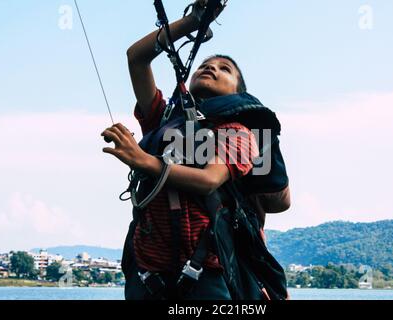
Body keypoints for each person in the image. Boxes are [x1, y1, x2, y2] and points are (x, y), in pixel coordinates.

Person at [101, 0, 290, 300]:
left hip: (207, 272)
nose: (211, 68)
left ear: (237, 93)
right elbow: (136, 58)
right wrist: (195, 22)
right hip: (148, 272)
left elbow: (210, 179)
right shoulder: (161, 119)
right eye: (205, 65)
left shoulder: (237, 133)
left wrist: (145, 161)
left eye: (224, 69)